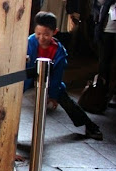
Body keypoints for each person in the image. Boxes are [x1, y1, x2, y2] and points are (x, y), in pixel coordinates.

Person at [24, 12, 103, 140]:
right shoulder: (29, 42)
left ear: (55, 32)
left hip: (49, 79)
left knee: (67, 101)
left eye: (46, 34)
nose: (41, 38)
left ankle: (91, 126)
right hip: (26, 77)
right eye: (38, 34)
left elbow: (57, 76)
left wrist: (54, 96)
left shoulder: (59, 51)